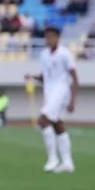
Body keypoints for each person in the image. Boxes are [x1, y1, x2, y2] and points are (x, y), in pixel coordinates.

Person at [26, 27, 78, 173]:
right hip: (50, 92)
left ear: (58, 37)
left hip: (61, 91)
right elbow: (46, 76)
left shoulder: (65, 54)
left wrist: (73, 99)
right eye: (47, 37)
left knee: (43, 120)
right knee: (58, 124)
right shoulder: (44, 55)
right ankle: (68, 163)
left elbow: (75, 77)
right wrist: (33, 77)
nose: (49, 40)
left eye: (52, 37)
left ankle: (53, 158)